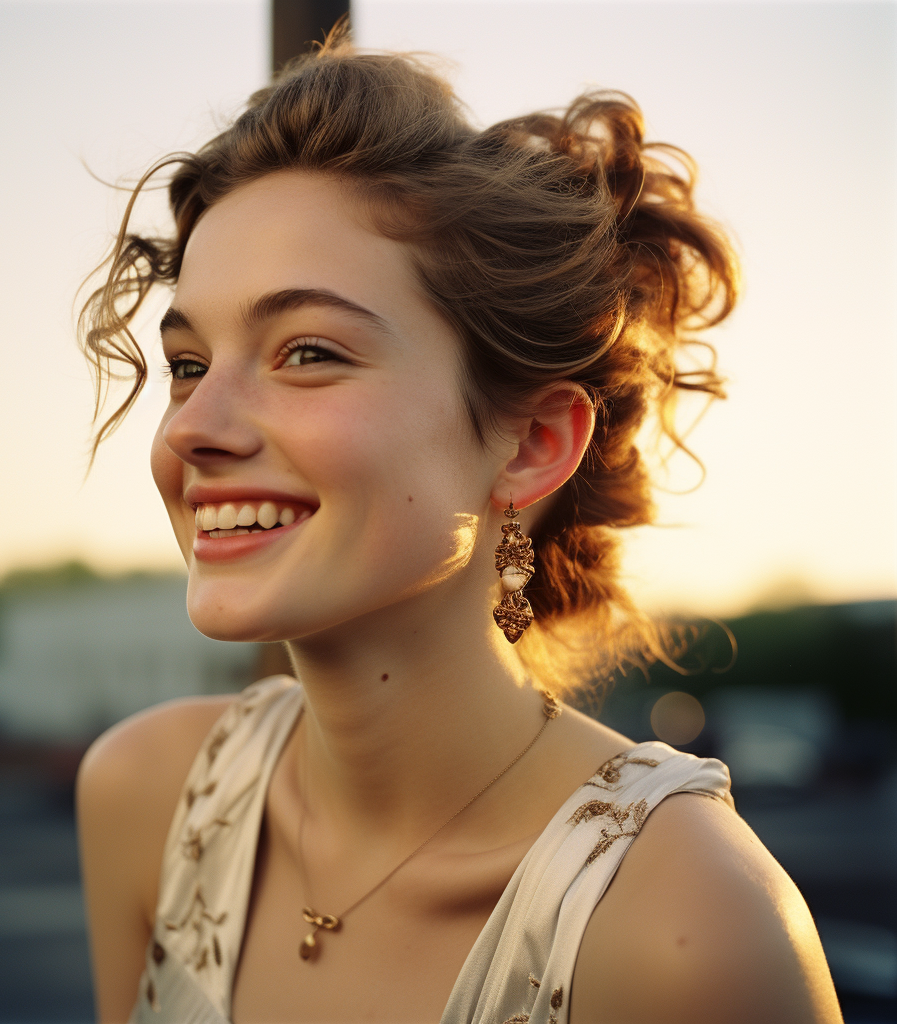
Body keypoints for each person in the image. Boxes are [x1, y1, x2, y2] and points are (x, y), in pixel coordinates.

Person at [75, 32, 843, 1024]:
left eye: (306, 351)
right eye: (188, 364)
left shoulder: (686, 930)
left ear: (528, 444)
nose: (194, 428)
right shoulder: (147, 796)